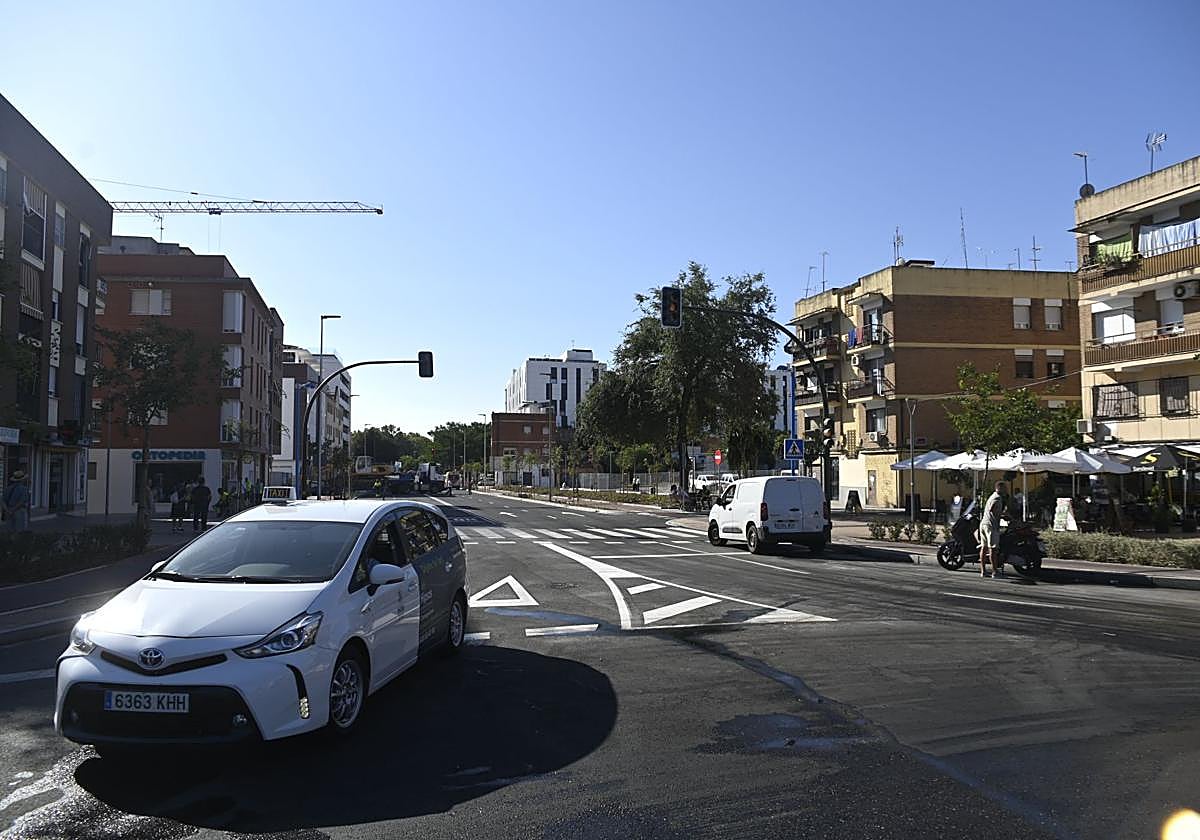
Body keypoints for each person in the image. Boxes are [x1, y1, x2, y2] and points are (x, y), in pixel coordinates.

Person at [978, 481, 1007, 578]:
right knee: (993, 549)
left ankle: (983, 571)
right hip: (991, 525)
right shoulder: (997, 498)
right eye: (1004, 488)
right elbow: (992, 509)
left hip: (984, 523)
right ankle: (995, 572)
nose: (1006, 490)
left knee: (984, 547)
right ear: (999, 488)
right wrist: (1003, 515)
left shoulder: (992, 496)